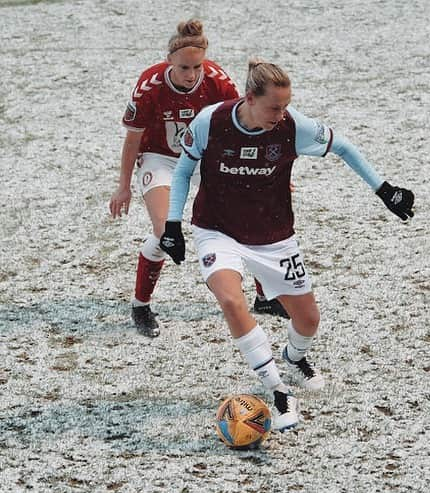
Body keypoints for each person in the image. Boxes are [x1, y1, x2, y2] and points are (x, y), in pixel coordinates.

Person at [160, 59, 414, 431]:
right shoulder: (210, 122)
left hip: (273, 235)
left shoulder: (293, 126)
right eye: (274, 107)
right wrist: (172, 225)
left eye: (285, 106)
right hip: (217, 229)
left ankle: (294, 358)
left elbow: (343, 147)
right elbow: (183, 171)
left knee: (308, 320)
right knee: (232, 300)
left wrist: (384, 190)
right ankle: (278, 390)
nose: (281, 114)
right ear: (249, 99)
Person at [109, 21, 287, 338]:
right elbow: (133, 138)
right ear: (169, 61)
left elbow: (244, 121)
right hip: (159, 158)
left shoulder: (217, 80)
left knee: (249, 219)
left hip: (202, 157)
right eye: (184, 67)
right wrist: (123, 186)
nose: (191, 74)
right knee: (165, 232)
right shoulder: (149, 85)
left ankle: (264, 297)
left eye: (197, 66)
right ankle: (140, 305)